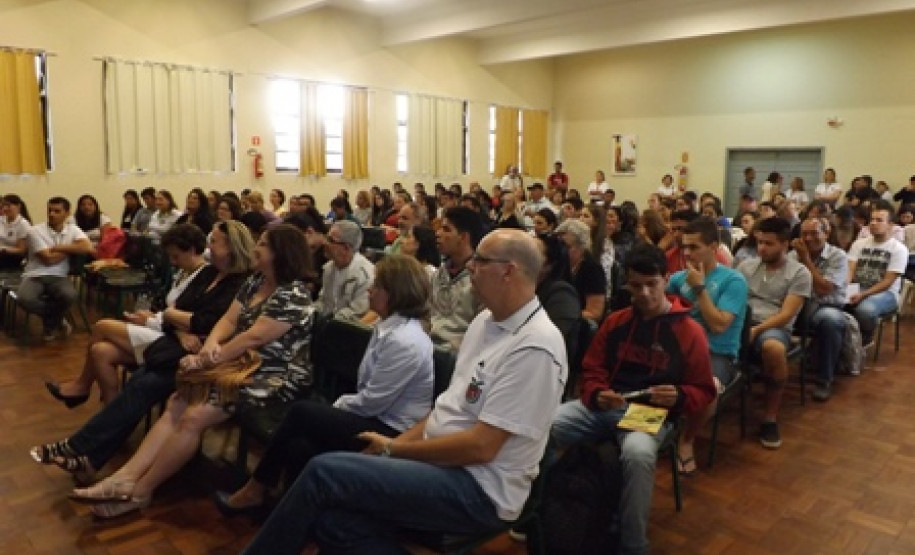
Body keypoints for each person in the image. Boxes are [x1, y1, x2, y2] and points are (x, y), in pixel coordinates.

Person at [240, 229, 566, 555]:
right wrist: (390, 449)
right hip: (442, 462)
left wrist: (394, 450)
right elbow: (445, 409)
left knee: (325, 472)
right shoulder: (484, 322)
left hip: (479, 488)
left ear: (508, 270)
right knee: (331, 518)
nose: (470, 268)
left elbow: (482, 448)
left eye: (480, 261)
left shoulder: (535, 347)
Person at [68, 224, 316, 518]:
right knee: (178, 400)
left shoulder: (294, 294)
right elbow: (228, 320)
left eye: (262, 243)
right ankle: (123, 478)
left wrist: (207, 360)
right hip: (241, 364)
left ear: (279, 253)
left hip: (274, 376)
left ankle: (140, 490)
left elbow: (255, 337)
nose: (255, 247)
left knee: (194, 415)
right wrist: (208, 346)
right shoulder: (255, 281)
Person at [214, 254, 435, 516]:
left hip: (391, 429)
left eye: (376, 285)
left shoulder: (405, 341)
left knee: (302, 413)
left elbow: (374, 402)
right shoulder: (388, 328)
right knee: (299, 446)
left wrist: (337, 406)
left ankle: (255, 490)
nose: (369, 289)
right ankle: (292, 514)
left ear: (393, 293)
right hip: (374, 414)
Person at [30, 222, 255, 479]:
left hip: (202, 359)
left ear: (231, 246)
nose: (208, 246)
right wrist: (180, 323)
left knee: (140, 381)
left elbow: (206, 322)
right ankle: (87, 455)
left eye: (214, 241)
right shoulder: (208, 274)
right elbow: (176, 313)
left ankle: (80, 449)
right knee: (135, 377)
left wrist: (176, 317)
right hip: (175, 347)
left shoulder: (240, 284)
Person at [551, 242, 715, 555]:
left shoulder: (689, 331)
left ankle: (633, 544)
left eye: (651, 285)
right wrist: (598, 393)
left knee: (638, 455)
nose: (643, 294)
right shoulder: (617, 322)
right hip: (607, 407)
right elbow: (592, 367)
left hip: (650, 415)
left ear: (666, 281)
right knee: (546, 427)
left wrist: (680, 395)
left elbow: (704, 390)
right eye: (635, 286)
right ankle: (540, 511)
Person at [44, 223, 251, 406]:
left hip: (170, 338)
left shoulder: (208, 275)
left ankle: (83, 386)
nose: (173, 262)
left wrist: (158, 319)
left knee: (102, 326)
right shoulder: (191, 273)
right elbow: (174, 314)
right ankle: (111, 412)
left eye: (176, 256)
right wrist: (164, 319)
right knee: (100, 351)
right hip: (169, 331)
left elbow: (197, 320)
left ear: (190, 251)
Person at [667, 217, 747, 475]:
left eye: (694, 247)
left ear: (714, 247)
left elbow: (719, 325)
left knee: (708, 388)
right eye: (684, 247)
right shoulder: (679, 278)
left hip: (717, 353)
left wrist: (700, 289)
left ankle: (686, 440)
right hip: (679, 349)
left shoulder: (733, 280)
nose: (687, 253)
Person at [736, 217, 811, 449]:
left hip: (773, 327)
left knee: (774, 348)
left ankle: (770, 418)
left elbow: (787, 315)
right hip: (741, 322)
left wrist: (756, 330)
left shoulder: (799, 273)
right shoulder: (746, 266)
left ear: (785, 244)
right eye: (759, 242)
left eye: (768, 243)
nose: (761, 248)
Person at [788, 217, 848, 401]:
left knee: (830, 320)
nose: (808, 239)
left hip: (825, 305)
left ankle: (824, 379)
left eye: (814, 233)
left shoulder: (837, 256)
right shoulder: (792, 255)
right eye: (804, 234)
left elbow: (823, 289)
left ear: (826, 234)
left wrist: (805, 259)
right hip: (798, 305)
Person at [18, 197, 91, 340]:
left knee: (70, 295)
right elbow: (48, 259)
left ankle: (51, 323)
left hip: (59, 276)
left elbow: (87, 247)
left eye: (57, 211)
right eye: (50, 210)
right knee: (24, 298)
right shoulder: (35, 231)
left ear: (67, 213)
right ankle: (55, 319)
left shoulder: (73, 229)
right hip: (35, 274)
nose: (52, 214)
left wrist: (58, 247)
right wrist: (72, 249)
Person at [847, 200, 909, 347]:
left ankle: (864, 340)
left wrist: (863, 295)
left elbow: (887, 282)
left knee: (865, 310)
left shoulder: (899, 249)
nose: (873, 223)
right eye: (872, 220)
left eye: (879, 220)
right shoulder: (859, 243)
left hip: (886, 293)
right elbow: (850, 269)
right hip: (858, 287)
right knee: (833, 303)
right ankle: (842, 340)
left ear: (891, 225)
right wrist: (845, 288)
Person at [431, 206, 484, 351]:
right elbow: (426, 315)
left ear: (463, 237)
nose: (438, 233)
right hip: (430, 346)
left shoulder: (482, 279)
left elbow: (483, 332)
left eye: (446, 229)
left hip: (458, 354)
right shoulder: (439, 273)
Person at [315, 221, 374, 322]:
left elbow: (357, 313)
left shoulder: (366, 275)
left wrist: (326, 322)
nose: (324, 243)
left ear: (346, 247)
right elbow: (324, 303)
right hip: (328, 324)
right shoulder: (329, 268)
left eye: (330, 240)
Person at [556, 219, 606, 324]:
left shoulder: (593, 269)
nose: (561, 250)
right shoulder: (559, 264)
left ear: (581, 247)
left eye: (567, 246)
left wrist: (561, 314)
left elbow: (594, 313)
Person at [0, 194, 31, 270]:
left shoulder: (23, 224)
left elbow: (21, 250)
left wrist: (3, 249)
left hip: (12, 258)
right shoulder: (1, 220)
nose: (5, 208)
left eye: (8, 206)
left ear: (18, 206)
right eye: (3, 206)